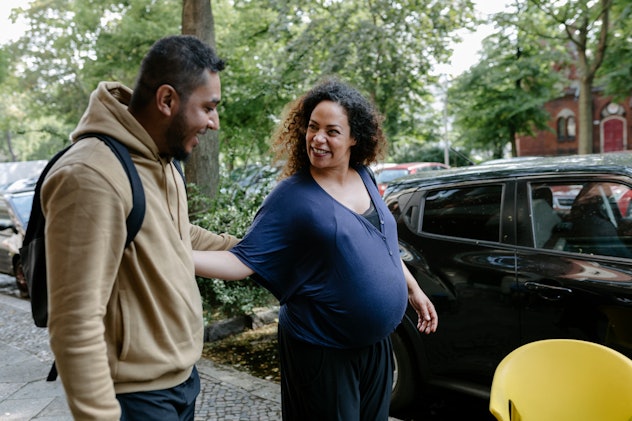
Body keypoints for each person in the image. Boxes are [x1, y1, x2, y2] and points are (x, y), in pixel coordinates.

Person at [193, 78, 438, 420]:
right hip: (324, 349)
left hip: (376, 347)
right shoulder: (292, 196)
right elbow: (241, 260)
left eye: (332, 131)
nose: (318, 138)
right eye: (312, 127)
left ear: (355, 138)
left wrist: (413, 289)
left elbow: (381, 243)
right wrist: (172, 255)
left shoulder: (364, 176)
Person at [43, 35, 239, 420]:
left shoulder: (162, 159)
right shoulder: (90, 175)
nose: (214, 122)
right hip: (136, 398)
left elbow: (176, 232)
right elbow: (74, 322)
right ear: (167, 101)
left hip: (180, 384)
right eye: (208, 108)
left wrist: (250, 247)